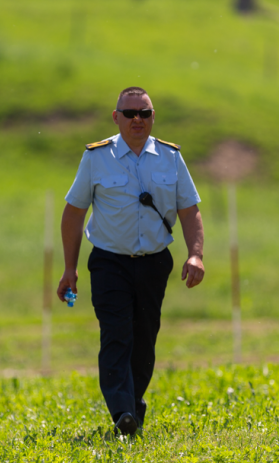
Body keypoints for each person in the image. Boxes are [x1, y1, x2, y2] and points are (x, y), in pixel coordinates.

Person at [57, 86, 205, 436]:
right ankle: (122, 410)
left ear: (153, 117)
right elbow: (74, 214)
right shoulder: (96, 157)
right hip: (110, 262)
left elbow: (189, 209)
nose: (137, 119)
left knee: (144, 339)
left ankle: (132, 411)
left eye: (145, 113)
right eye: (129, 113)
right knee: (116, 334)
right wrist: (69, 267)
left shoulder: (170, 157)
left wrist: (196, 254)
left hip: (154, 263)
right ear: (116, 117)